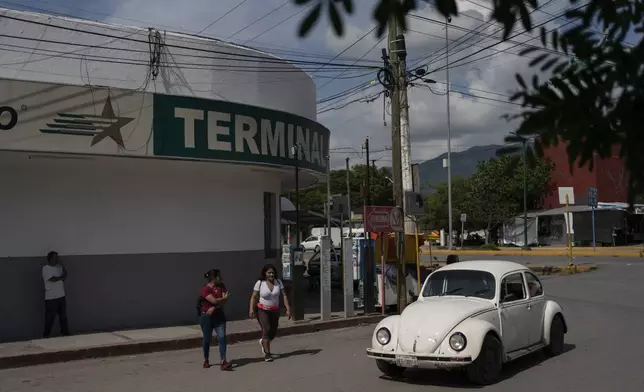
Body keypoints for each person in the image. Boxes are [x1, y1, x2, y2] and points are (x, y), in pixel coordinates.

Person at [249, 264, 291, 362]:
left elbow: (284, 295)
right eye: (269, 273)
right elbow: (254, 297)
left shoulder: (278, 282)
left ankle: (263, 341)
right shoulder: (260, 283)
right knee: (266, 329)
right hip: (262, 310)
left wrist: (288, 308)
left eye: (273, 273)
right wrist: (251, 309)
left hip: (275, 310)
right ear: (265, 273)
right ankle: (267, 354)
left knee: (273, 331)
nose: (271, 275)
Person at [199, 269, 232, 370]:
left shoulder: (222, 286)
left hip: (219, 316)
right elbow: (214, 300)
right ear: (213, 278)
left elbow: (223, 302)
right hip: (206, 317)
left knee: (222, 338)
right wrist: (223, 299)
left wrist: (215, 307)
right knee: (207, 340)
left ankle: (223, 361)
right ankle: (206, 359)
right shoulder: (205, 289)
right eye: (219, 276)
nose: (221, 278)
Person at [42, 251, 70, 338]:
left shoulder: (59, 268)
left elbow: (65, 276)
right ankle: (46, 335)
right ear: (51, 259)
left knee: (63, 317)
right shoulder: (45, 268)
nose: (58, 259)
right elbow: (52, 279)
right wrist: (61, 278)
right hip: (51, 298)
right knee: (50, 318)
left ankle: (65, 332)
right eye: (56, 257)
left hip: (61, 296)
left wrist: (63, 265)